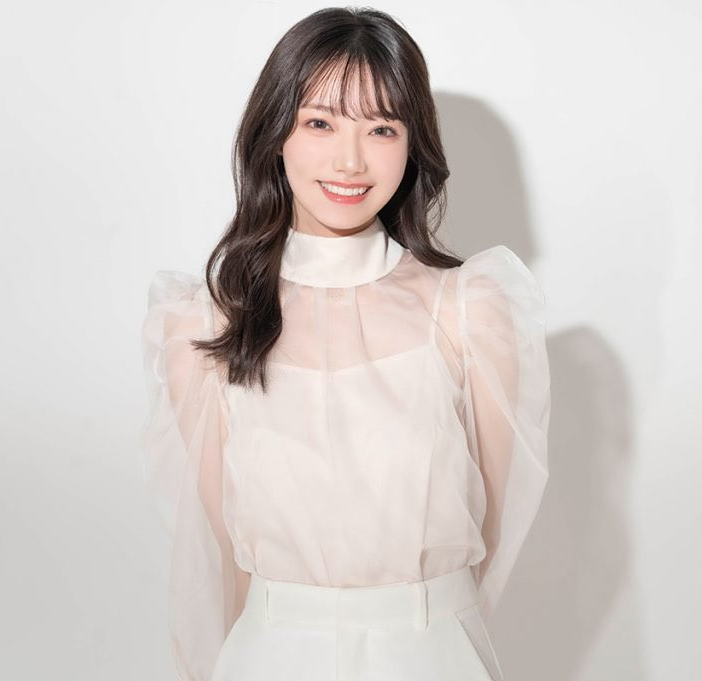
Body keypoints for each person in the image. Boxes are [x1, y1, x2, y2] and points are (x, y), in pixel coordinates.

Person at [139, 7, 550, 681]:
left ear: (413, 144)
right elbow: (216, 562)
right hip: (269, 658)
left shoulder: (471, 312)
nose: (350, 160)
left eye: (381, 128)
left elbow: (496, 534)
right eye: (320, 123)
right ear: (276, 132)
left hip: (432, 653)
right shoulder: (204, 326)